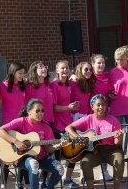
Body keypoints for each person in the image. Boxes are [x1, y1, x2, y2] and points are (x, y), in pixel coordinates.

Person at [0, 99, 65, 189]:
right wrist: (16, 141)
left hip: (42, 158)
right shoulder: (21, 122)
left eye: (42, 111)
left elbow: (48, 149)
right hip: (23, 159)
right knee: (33, 164)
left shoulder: (46, 127)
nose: (41, 113)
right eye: (37, 111)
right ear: (29, 112)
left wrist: (57, 146)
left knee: (59, 169)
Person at [65, 94, 124, 189]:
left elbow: (117, 142)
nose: (101, 107)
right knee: (85, 162)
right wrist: (79, 138)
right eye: (98, 105)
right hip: (93, 151)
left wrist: (119, 137)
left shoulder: (113, 120)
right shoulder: (88, 118)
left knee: (119, 161)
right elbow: (68, 128)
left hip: (112, 150)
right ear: (92, 107)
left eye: (103, 105)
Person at [26, 61, 56, 187]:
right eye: (41, 67)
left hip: (49, 123)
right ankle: (32, 182)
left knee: (48, 152)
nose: (44, 69)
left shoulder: (50, 85)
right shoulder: (30, 86)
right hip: (34, 124)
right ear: (34, 70)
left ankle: (45, 181)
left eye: (45, 67)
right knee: (36, 153)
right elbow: (26, 107)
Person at [51, 60, 80, 188]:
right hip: (56, 126)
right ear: (57, 70)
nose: (65, 70)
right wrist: (69, 108)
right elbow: (54, 107)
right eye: (62, 68)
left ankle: (67, 179)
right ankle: (54, 182)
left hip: (68, 125)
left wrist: (73, 107)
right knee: (57, 156)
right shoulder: (54, 85)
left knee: (73, 153)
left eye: (67, 68)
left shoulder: (68, 84)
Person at [0, 62, 27, 188]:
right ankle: (4, 183)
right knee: (5, 156)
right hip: (7, 126)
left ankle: (19, 182)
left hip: (21, 125)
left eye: (23, 73)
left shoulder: (23, 86)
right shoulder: (3, 86)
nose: (22, 75)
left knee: (21, 155)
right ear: (13, 72)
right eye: (20, 73)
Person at [91, 54, 114, 181]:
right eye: (98, 63)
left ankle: (104, 171)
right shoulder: (89, 76)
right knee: (90, 144)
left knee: (103, 141)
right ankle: (85, 172)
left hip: (104, 112)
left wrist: (111, 95)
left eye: (102, 63)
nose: (101, 65)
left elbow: (110, 90)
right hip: (91, 114)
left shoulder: (107, 76)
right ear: (92, 64)